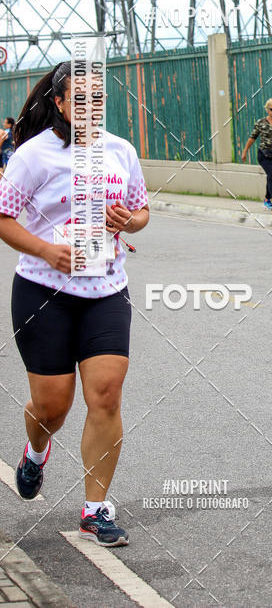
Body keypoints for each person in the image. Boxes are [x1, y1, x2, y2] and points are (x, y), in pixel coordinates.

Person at [0, 62, 149, 546]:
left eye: (98, 99)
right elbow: (2, 216)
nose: (90, 108)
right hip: (44, 294)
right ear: (61, 103)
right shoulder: (35, 156)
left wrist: (128, 220)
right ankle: (36, 451)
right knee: (52, 405)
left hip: (105, 290)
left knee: (105, 394)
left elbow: (142, 211)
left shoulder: (121, 151)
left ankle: (95, 509)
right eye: (79, 99)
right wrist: (45, 249)